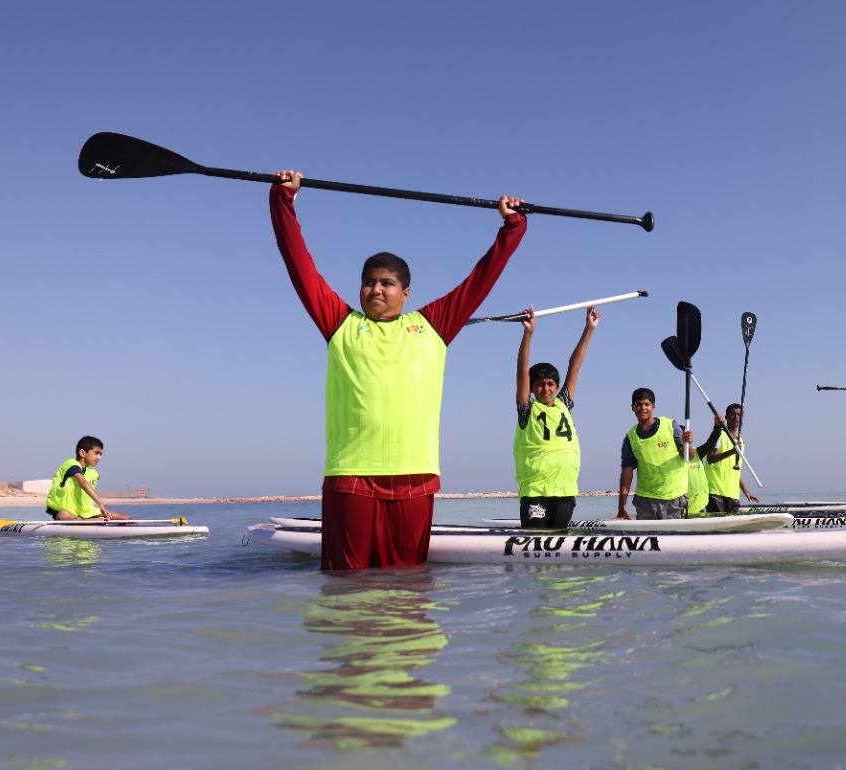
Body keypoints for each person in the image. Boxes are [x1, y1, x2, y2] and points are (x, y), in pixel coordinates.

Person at [271, 170, 527, 571]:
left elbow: (481, 278)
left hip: (416, 479)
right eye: (369, 282)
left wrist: (512, 227)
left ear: (405, 293)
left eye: (387, 283)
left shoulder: (434, 325)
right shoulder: (340, 324)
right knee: (346, 589)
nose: (376, 289)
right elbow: (299, 264)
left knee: (409, 590)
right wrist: (284, 201)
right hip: (351, 478)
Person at [514, 305, 600, 527]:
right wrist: (528, 333)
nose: (546, 389)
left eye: (550, 384)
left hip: (564, 488)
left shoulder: (564, 404)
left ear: (557, 386)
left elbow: (575, 366)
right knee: (536, 542)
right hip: (536, 490)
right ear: (532, 388)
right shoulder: (528, 409)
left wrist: (589, 329)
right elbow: (522, 371)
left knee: (558, 542)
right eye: (540, 385)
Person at [616, 388, 695, 520]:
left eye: (646, 404)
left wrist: (687, 442)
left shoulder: (670, 425)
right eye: (638, 404)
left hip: (673, 496)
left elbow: (689, 456)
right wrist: (622, 507)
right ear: (633, 408)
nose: (643, 408)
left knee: (671, 539)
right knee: (647, 538)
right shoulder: (630, 437)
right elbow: (627, 473)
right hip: (645, 500)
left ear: (653, 407)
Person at [46, 436, 132, 521]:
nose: (99, 457)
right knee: (63, 515)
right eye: (96, 453)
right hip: (66, 512)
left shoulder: (92, 473)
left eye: (100, 454)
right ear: (82, 453)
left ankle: (92, 521)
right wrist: (101, 504)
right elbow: (83, 483)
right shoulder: (70, 464)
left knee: (126, 518)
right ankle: (89, 522)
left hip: (85, 512)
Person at [702, 403, 760, 513]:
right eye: (733, 414)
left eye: (739, 415)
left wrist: (746, 491)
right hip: (716, 491)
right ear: (727, 417)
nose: (736, 417)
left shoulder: (740, 442)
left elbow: (735, 471)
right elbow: (710, 459)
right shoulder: (719, 435)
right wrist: (732, 451)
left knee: (731, 528)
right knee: (717, 527)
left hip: (733, 494)